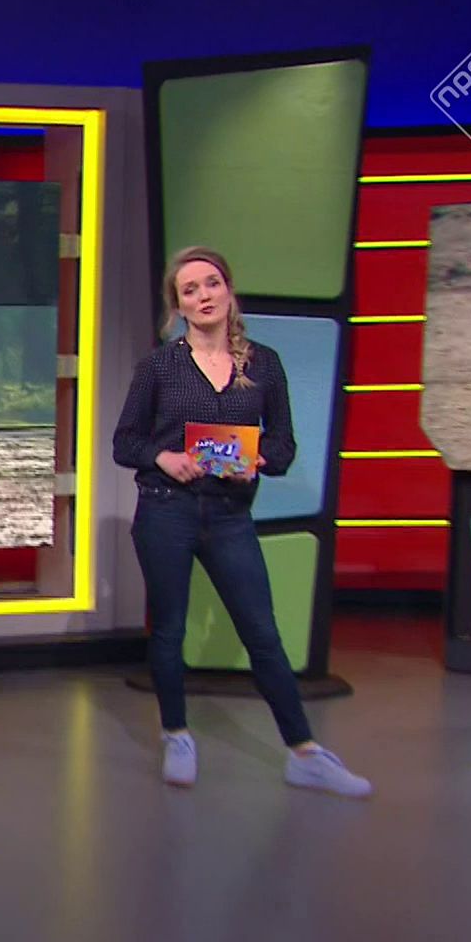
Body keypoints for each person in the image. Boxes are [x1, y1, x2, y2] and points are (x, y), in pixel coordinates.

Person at [112, 245, 372, 798]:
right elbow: (125, 442)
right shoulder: (159, 366)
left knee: (262, 634)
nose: (204, 296)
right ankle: (177, 735)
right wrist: (163, 458)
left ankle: (305, 753)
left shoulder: (264, 364)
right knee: (170, 630)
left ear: (229, 291)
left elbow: (284, 444)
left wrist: (259, 460)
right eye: (190, 290)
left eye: (212, 283)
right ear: (178, 306)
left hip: (230, 515)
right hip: (166, 508)